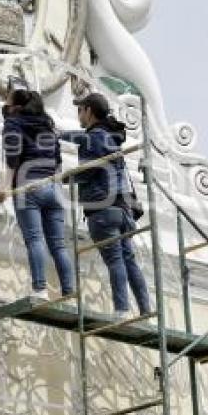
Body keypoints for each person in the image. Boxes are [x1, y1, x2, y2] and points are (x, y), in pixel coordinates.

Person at [60, 93, 151, 318]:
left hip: (102, 209)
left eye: (80, 110)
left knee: (115, 260)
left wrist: (68, 178)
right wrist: (59, 134)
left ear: (89, 111)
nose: (78, 115)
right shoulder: (110, 137)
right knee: (129, 261)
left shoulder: (95, 137)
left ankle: (121, 310)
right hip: (123, 208)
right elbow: (79, 137)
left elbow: (91, 169)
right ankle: (146, 311)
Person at [0, 89, 74, 301]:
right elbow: (57, 162)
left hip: (28, 187)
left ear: (16, 107)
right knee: (58, 244)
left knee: (35, 239)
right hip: (53, 188)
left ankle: (40, 289)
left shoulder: (13, 124)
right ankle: (69, 292)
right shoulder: (48, 127)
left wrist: (5, 187)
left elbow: (13, 158)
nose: (5, 109)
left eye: (7, 106)